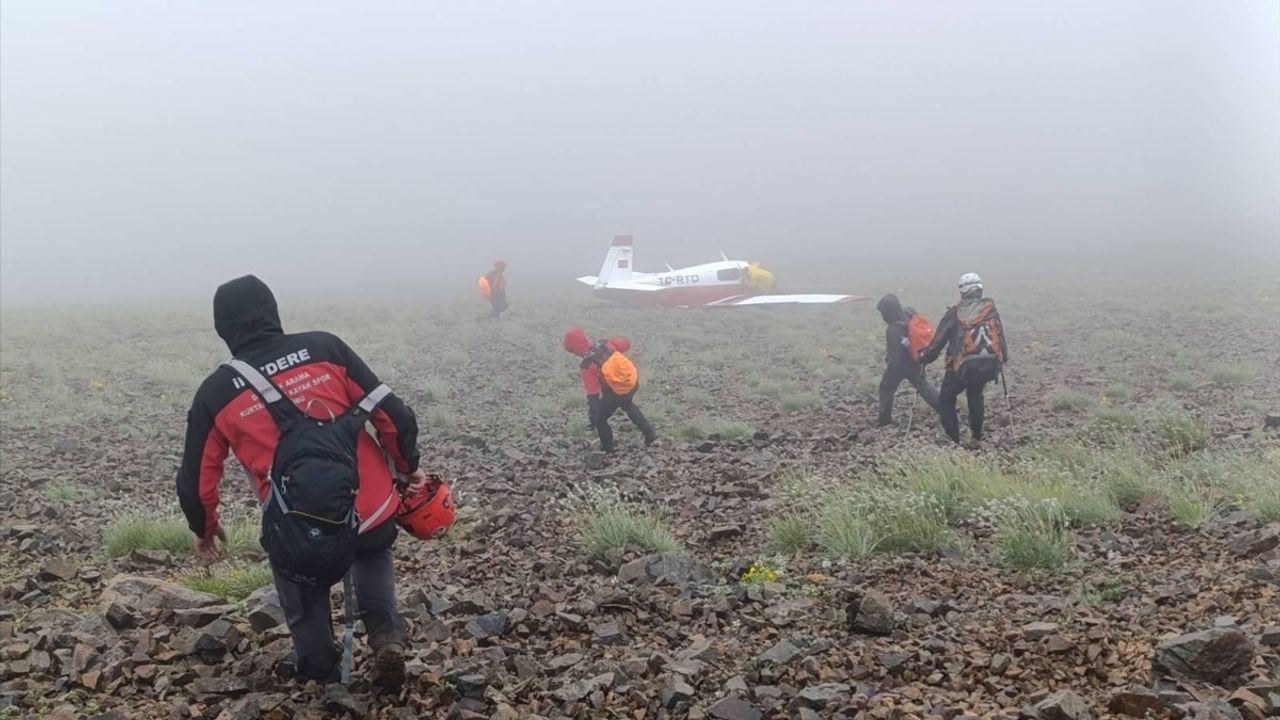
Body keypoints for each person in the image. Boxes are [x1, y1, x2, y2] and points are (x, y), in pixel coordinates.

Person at [175, 275, 426, 688]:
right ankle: (385, 637)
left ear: (223, 329)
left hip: (297, 523)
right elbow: (394, 414)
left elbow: (195, 478)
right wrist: (406, 465)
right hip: (371, 503)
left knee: (299, 578)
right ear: (273, 311)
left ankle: (318, 668)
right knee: (371, 552)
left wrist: (204, 529)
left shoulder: (216, 391)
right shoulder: (325, 347)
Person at [919, 273, 1008, 447]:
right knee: (975, 395)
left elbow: (938, 341)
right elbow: (1000, 336)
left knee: (946, 399)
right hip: (987, 362)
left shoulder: (955, 312)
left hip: (959, 366)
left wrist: (925, 357)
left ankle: (953, 439)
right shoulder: (990, 310)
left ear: (962, 292)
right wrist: (1002, 359)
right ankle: (976, 436)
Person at [563, 327, 657, 451]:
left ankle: (608, 450)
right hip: (631, 383)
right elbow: (626, 343)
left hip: (615, 392)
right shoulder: (606, 343)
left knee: (601, 420)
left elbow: (593, 396)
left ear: (574, 349)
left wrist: (593, 417)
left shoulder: (587, 365)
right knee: (628, 404)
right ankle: (650, 435)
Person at [875, 293, 940, 427]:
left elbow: (895, 357)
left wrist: (891, 369)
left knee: (886, 388)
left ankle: (884, 421)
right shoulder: (909, 313)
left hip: (900, 365)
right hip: (915, 360)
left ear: (888, 312)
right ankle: (946, 409)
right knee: (925, 387)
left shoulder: (893, 329)